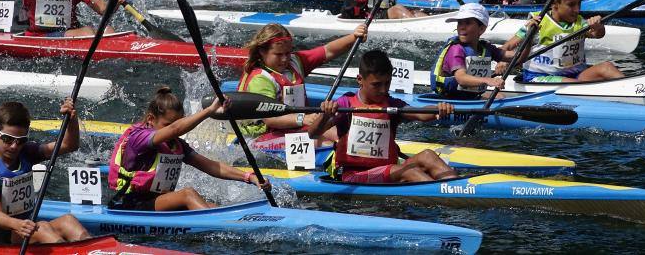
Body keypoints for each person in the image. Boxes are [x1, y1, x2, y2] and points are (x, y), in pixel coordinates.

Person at [108, 86, 269, 211]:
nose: (175, 128)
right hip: (129, 204)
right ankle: (216, 228)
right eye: (168, 124)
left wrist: (249, 177)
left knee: (213, 207)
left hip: (155, 202)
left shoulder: (175, 145)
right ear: (151, 119)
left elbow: (212, 166)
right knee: (188, 194)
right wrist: (209, 111)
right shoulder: (139, 137)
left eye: (178, 122)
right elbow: (176, 129)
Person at [309, 50, 457, 183]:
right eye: (377, 84)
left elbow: (420, 113)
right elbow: (313, 133)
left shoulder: (392, 104)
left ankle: (457, 188)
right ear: (360, 79)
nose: (383, 90)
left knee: (428, 155)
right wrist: (324, 115)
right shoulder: (345, 104)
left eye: (387, 83)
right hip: (354, 175)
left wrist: (438, 109)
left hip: (388, 170)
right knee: (409, 171)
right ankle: (443, 196)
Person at [0, 100, 91, 244]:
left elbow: (69, 145)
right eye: (7, 139)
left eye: (21, 140)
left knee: (69, 221)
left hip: (21, 228)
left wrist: (71, 119)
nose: (14, 146)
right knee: (42, 229)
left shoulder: (26, 151)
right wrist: (19, 225)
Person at [236, 23, 368, 149]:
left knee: (339, 132)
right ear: (262, 52)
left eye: (287, 53)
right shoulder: (261, 79)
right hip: (261, 139)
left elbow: (327, 51)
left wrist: (353, 37)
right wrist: (303, 118)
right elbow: (271, 119)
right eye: (278, 54)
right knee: (325, 142)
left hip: (293, 129)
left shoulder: (294, 62)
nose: (284, 59)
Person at [503, 0, 624, 83]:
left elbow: (598, 34)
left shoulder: (579, 22)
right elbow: (507, 46)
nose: (577, 10)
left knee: (607, 67)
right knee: (574, 84)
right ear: (554, 3)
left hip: (576, 76)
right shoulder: (537, 22)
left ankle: (635, 91)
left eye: (579, 3)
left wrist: (598, 26)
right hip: (540, 77)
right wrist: (502, 60)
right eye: (571, 5)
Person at [431, 3, 518, 98]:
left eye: (467, 23)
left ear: (481, 29)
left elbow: (517, 58)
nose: (462, 27)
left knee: (500, 97)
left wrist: (528, 33)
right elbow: (461, 78)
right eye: (460, 23)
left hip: (470, 97)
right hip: (449, 99)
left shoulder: (485, 48)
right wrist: (488, 80)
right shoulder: (456, 49)